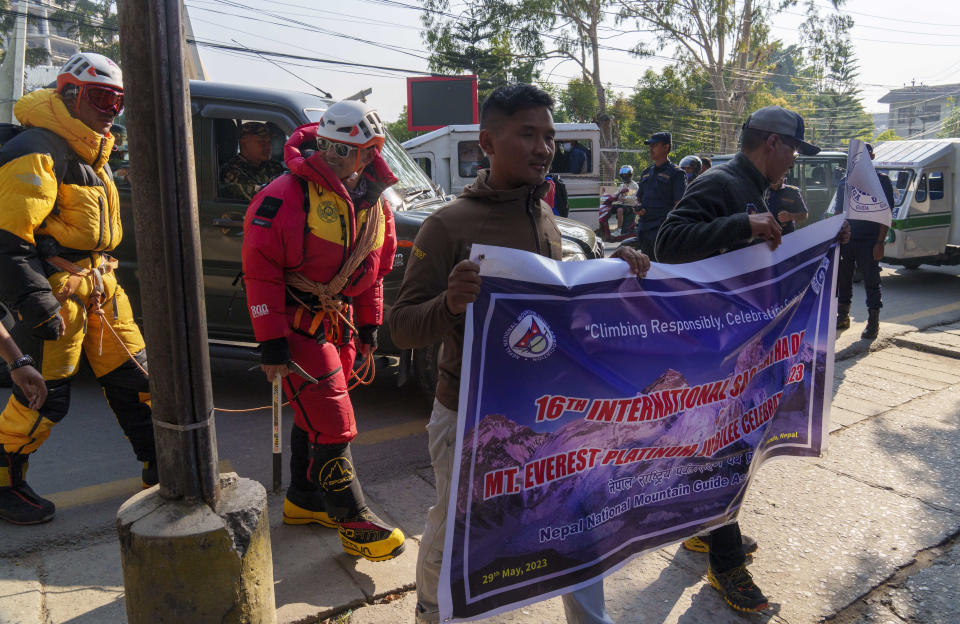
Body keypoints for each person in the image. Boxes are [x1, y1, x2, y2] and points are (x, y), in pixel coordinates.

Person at [389, 83, 649, 624]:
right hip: (468, 416)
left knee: (576, 518)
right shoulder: (448, 225)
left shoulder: (547, 216)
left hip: (550, 413)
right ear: (487, 142)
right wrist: (450, 304)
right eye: (527, 134)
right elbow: (403, 330)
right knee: (458, 526)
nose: (543, 148)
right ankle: (433, 614)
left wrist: (613, 271)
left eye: (549, 137)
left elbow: (562, 302)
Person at [656, 105, 849, 612]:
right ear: (771, 143)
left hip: (735, 343)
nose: (792, 164)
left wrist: (820, 241)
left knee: (725, 445)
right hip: (708, 345)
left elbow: (752, 251)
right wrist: (744, 222)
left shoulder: (754, 189)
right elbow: (669, 242)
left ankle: (703, 531)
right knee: (725, 448)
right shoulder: (722, 183)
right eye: (792, 152)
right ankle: (725, 566)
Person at [241, 99, 404, 562]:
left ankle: (304, 500)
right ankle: (353, 521)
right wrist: (270, 341)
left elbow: (372, 270)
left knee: (314, 418)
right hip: (297, 327)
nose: (338, 157)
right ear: (327, 143)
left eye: (360, 149)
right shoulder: (285, 194)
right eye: (335, 147)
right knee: (334, 424)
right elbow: (260, 269)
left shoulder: (374, 201)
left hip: (342, 325)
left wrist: (371, 328)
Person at [0, 52, 158, 525]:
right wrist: (35, 301)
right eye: (100, 97)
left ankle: (163, 465)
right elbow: (9, 238)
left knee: (140, 379)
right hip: (59, 289)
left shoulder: (94, 151)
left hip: (100, 285)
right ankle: (4, 484)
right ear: (69, 94)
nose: (111, 110)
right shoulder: (39, 148)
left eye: (118, 101)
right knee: (46, 395)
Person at [833, 143, 894, 339]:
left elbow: (886, 213)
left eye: (865, 156)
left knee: (871, 281)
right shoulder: (845, 181)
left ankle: (873, 322)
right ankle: (843, 316)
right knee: (843, 280)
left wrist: (880, 242)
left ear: (873, 156)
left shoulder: (881, 181)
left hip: (870, 240)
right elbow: (838, 212)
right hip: (847, 239)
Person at [635, 132, 686, 256]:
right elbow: (638, 198)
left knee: (661, 267)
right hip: (644, 228)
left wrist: (668, 225)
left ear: (666, 147)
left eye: (655, 145)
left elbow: (679, 205)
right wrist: (637, 207)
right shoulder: (646, 172)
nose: (651, 148)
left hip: (661, 230)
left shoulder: (676, 173)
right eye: (650, 145)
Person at [219, 121, 284, 200]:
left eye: (269, 141)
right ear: (243, 142)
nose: (268, 146)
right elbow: (260, 198)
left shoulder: (274, 166)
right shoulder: (232, 171)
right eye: (261, 142)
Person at [613, 164, 640, 235]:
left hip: (631, 206)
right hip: (622, 205)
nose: (624, 175)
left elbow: (634, 198)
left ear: (630, 174)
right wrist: (609, 196)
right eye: (623, 174)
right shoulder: (622, 185)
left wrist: (624, 198)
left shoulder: (634, 185)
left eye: (626, 174)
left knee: (620, 210)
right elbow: (616, 194)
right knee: (608, 209)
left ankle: (619, 229)